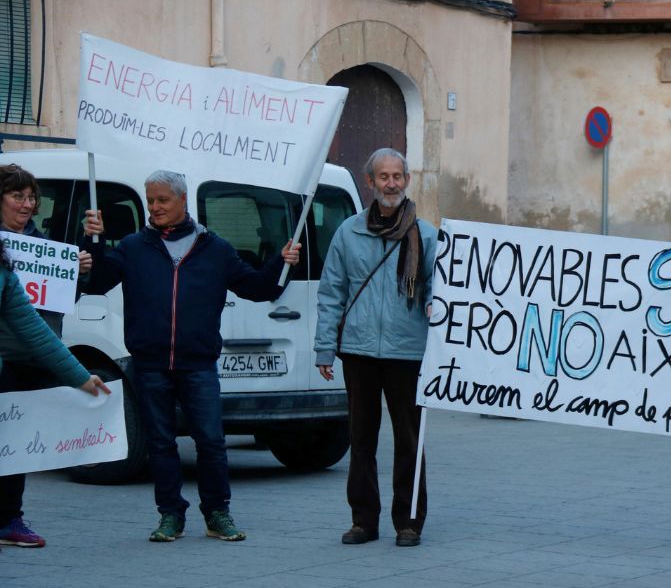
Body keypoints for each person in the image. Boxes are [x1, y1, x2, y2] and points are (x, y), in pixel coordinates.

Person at [82, 170, 300, 543]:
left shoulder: (214, 249)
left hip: (198, 363)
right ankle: (170, 515)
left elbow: (258, 289)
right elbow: (97, 281)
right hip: (149, 363)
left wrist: (282, 263)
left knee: (211, 441)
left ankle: (218, 513)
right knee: (161, 443)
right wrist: (92, 241)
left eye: (162, 200)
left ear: (183, 201)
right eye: (150, 200)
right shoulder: (133, 247)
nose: (154, 208)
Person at [315, 148, 437, 548]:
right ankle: (364, 521)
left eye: (397, 176)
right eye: (383, 177)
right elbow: (332, 290)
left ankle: (409, 521)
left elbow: (441, 285)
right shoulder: (349, 232)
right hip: (360, 350)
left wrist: (437, 303)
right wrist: (324, 349)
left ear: (407, 180)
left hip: (408, 350)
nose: (391, 183)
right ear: (370, 182)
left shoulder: (428, 234)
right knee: (361, 438)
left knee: (409, 439)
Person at [0, 164, 94, 547]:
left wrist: (78, 274)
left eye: (31, 197)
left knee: (16, 446)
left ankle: (10, 517)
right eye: (17, 196)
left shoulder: (44, 246)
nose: (27, 204)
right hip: (6, 359)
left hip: (36, 359)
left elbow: (50, 310)